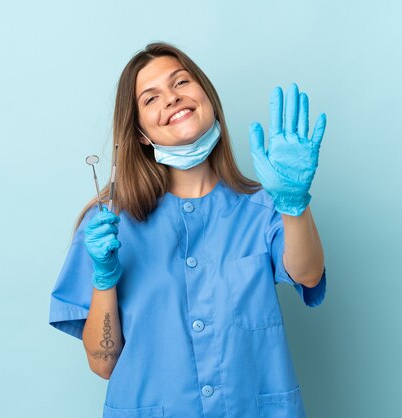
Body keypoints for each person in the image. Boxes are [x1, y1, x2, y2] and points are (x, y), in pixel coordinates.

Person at [49, 42, 328, 418]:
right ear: (141, 133)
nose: (172, 98)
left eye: (181, 81)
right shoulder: (108, 226)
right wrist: (103, 279)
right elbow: (103, 363)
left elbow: (308, 273)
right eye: (151, 99)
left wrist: (294, 204)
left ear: (207, 97)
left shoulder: (261, 208)